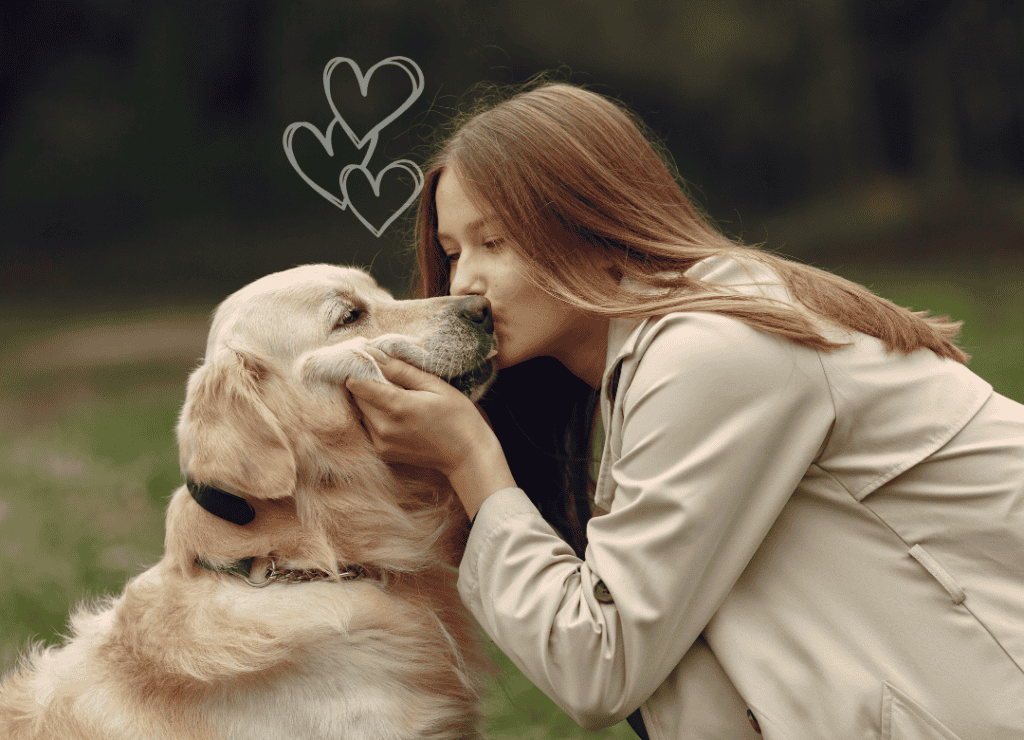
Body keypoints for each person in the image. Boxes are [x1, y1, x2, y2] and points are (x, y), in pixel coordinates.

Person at [345, 82, 1024, 740]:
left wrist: (470, 457)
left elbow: (599, 666)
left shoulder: (714, 352)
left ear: (591, 220)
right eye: (453, 252)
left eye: (495, 243)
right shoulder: (673, 346)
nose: (464, 286)